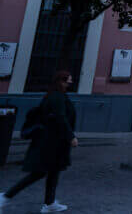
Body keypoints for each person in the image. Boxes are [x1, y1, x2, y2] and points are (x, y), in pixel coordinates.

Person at [1, 70, 77, 213]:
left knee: (54, 171)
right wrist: (71, 136)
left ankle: (50, 203)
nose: (71, 82)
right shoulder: (57, 97)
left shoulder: (56, 95)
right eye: (69, 80)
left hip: (55, 142)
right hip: (50, 142)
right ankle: (5, 196)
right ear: (62, 81)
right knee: (39, 173)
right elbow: (61, 117)